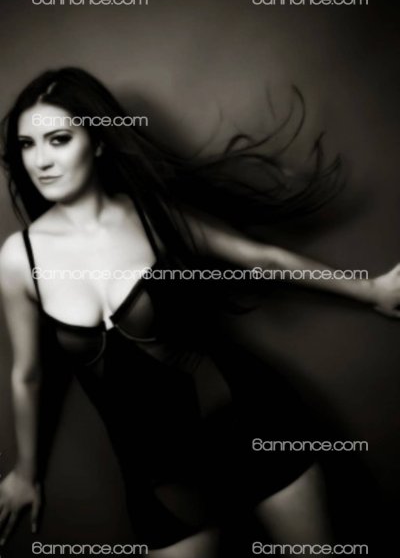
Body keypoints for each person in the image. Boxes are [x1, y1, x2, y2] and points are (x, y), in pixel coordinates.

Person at [0, 67, 399, 557]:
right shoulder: (20, 258)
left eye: (58, 140)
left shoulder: (150, 215)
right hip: (160, 475)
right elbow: (28, 374)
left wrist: (373, 291)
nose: (41, 161)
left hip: (252, 425)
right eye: (27, 145)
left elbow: (260, 259)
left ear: (98, 142)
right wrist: (26, 472)